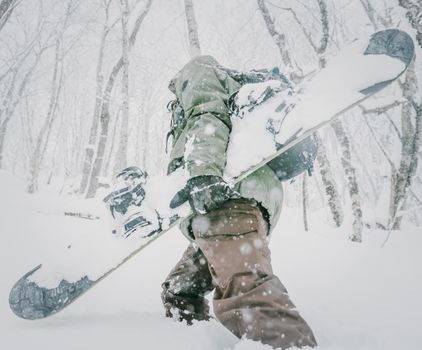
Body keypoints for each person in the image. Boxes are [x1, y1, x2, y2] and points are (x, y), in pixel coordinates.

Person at [161, 55, 317, 349]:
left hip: (223, 198)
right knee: (181, 290)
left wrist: (204, 173)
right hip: (234, 207)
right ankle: (187, 338)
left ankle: (288, 343)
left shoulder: (198, 70)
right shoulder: (233, 89)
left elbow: (207, 115)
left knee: (248, 294)